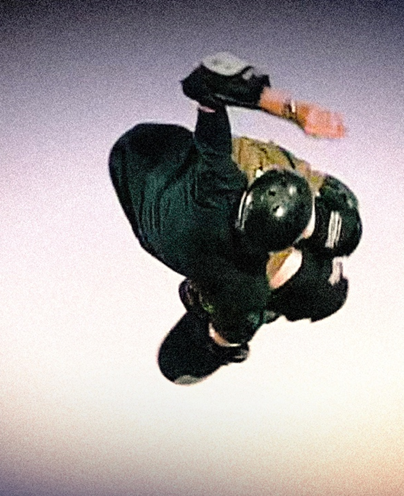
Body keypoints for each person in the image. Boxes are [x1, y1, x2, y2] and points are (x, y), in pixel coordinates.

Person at [109, 52, 361, 382]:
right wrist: (221, 343)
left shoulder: (220, 181)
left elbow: (206, 81)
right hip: (156, 186)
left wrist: (296, 110)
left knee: (341, 223)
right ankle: (211, 310)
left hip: (148, 156)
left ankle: (223, 306)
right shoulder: (244, 288)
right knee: (320, 290)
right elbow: (238, 323)